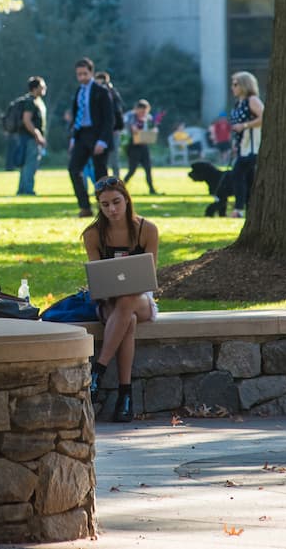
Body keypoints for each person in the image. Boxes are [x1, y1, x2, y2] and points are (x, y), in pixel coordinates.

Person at [83, 177, 159, 423]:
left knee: (129, 296)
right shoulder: (93, 235)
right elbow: (98, 280)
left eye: (116, 202)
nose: (112, 210)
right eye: (105, 205)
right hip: (109, 303)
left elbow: (149, 278)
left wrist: (126, 290)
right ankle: (125, 396)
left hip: (142, 299)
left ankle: (98, 369)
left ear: (127, 199)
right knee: (129, 321)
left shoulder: (147, 229)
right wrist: (110, 293)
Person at [68, 58, 115, 218]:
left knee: (101, 174)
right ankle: (85, 207)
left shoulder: (101, 92)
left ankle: (105, 209)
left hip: (98, 136)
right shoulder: (78, 92)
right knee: (74, 169)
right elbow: (76, 116)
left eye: (84, 74)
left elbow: (109, 119)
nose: (81, 77)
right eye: (78, 74)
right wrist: (73, 138)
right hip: (82, 135)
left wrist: (103, 140)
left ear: (91, 72)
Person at [228, 71, 264, 217]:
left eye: (235, 84)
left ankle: (238, 209)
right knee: (248, 178)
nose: (233, 87)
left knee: (238, 174)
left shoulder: (252, 100)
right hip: (242, 147)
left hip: (253, 148)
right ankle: (251, 209)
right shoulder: (239, 103)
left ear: (244, 85)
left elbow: (265, 116)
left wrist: (245, 126)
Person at [14, 76, 48, 196]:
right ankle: (27, 190)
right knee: (30, 164)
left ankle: (22, 190)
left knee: (26, 165)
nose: (44, 88)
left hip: (28, 138)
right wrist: (37, 135)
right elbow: (27, 120)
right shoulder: (30, 101)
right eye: (42, 86)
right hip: (30, 138)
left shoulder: (35, 100)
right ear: (35, 88)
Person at [122, 99, 158, 195]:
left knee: (148, 167)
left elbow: (153, 127)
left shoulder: (148, 118)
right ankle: (121, 187)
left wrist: (153, 130)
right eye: (141, 111)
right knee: (132, 169)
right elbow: (128, 127)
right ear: (137, 109)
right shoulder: (130, 116)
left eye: (145, 111)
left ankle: (151, 189)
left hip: (144, 145)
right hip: (133, 146)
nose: (143, 113)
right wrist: (133, 128)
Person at [94, 71, 126, 178]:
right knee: (101, 161)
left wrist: (117, 127)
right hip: (100, 132)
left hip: (113, 131)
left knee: (114, 159)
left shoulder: (112, 94)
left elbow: (117, 112)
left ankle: (116, 182)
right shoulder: (94, 94)